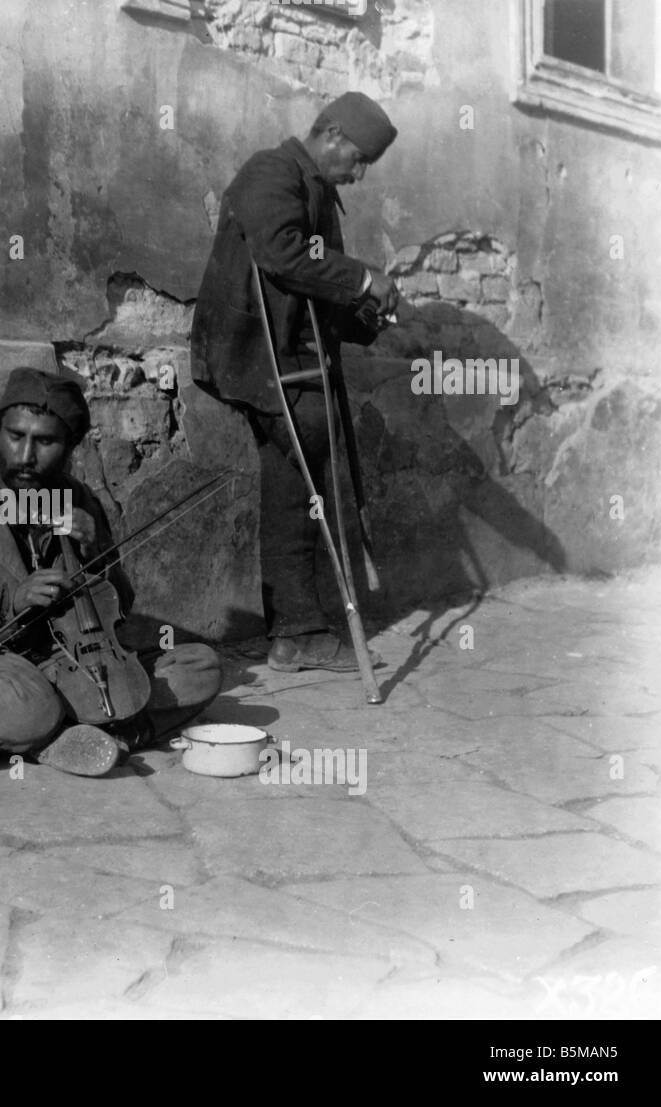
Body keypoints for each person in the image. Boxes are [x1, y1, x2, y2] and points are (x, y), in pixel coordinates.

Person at [0, 367, 222, 778]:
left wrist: (95, 550)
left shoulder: (78, 500)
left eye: (45, 442)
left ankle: (88, 734)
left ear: (71, 446)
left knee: (199, 665)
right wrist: (9, 602)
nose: (25, 456)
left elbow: (117, 610)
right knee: (31, 708)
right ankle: (71, 730)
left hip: (70, 662)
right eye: (15, 436)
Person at [190, 92, 398, 674]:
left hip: (287, 354)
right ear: (330, 134)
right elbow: (282, 255)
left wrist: (363, 316)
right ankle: (297, 629)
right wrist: (362, 279)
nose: (357, 176)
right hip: (253, 354)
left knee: (297, 472)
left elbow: (312, 283)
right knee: (303, 456)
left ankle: (292, 631)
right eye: (356, 160)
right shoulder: (271, 172)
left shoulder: (315, 189)